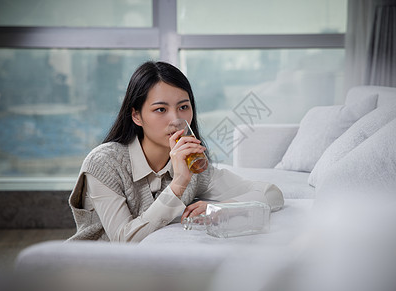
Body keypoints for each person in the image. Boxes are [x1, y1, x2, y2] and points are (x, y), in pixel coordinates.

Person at [68, 61, 284, 242]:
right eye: (160, 109)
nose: (175, 120)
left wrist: (217, 209)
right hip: (94, 273)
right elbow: (125, 240)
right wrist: (179, 183)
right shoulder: (104, 163)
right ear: (136, 116)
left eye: (183, 107)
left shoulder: (194, 164)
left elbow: (271, 194)